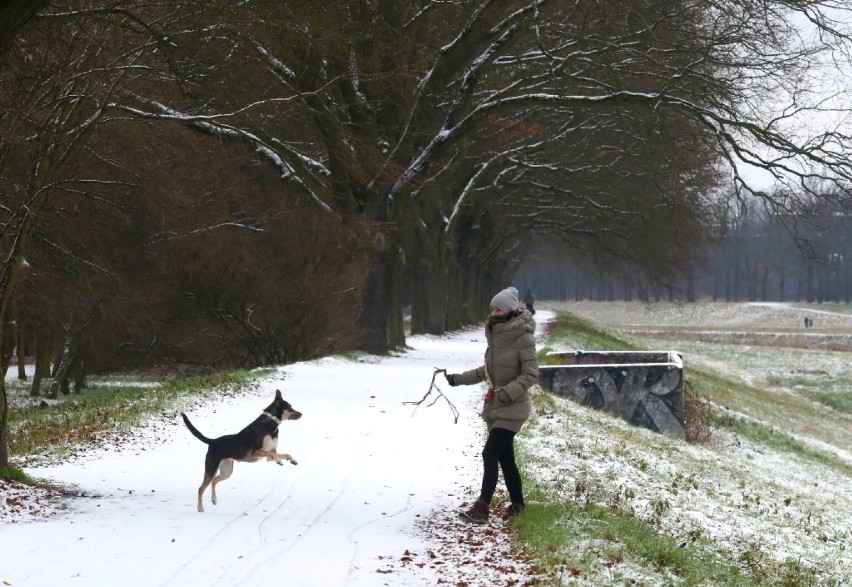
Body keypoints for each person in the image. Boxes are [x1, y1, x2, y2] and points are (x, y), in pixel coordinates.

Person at [444, 286, 539, 523]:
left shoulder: (523, 337)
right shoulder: (495, 335)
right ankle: (518, 504)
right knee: (506, 459)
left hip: (513, 407)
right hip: (496, 406)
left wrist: (507, 393)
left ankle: (481, 507)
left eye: (497, 308)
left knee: (489, 454)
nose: (493, 312)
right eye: (492, 308)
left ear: (508, 311)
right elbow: (486, 371)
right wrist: (457, 379)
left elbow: (530, 374)